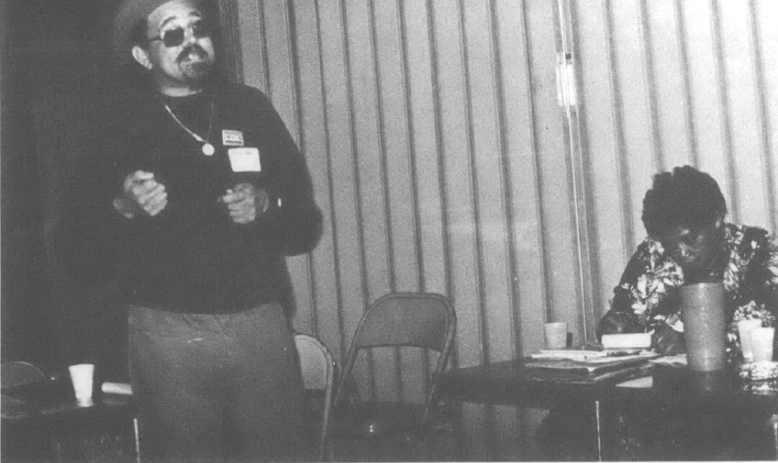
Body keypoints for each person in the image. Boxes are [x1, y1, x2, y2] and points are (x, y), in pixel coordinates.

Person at [61, 0, 322, 460]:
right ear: (144, 55)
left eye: (197, 28)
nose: (191, 42)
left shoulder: (249, 107)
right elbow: (75, 248)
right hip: (168, 335)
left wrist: (267, 205)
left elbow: (305, 225)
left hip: (259, 324)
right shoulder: (117, 126)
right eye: (173, 34)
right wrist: (122, 206)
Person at [537, 166, 778, 460]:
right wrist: (615, 325)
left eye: (690, 239)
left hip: (724, 404)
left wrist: (688, 340)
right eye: (669, 243)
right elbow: (623, 311)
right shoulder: (652, 253)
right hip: (647, 399)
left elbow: (764, 332)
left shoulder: (757, 252)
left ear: (716, 220)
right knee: (560, 426)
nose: (680, 252)